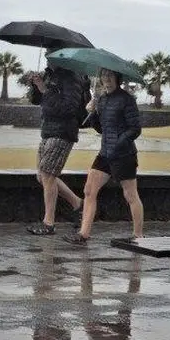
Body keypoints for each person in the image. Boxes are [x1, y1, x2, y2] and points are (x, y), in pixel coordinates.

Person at [63, 68, 143, 245]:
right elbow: (100, 128)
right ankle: (83, 234)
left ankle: (138, 236)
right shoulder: (102, 99)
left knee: (130, 195)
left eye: (110, 75)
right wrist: (92, 113)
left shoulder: (127, 100)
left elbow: (135, 129)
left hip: (124, 155)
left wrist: (119, 143)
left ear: (117, 77)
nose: (106, 78)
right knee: (89, 191)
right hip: (105, 153)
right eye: (104, 75)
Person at [26, 53, 91, 236]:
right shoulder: (50, 74)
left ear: (62, 56)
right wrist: (36, 85)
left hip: (63, 131)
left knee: (47, 174)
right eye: (47, 56)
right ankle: (78, 204)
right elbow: (36, 100)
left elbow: (69, 107)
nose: (48, 59)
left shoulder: (72, 77)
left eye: (52, 56)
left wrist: (45, 91)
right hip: (48, 130)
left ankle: (49, 223)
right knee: (43, 176)